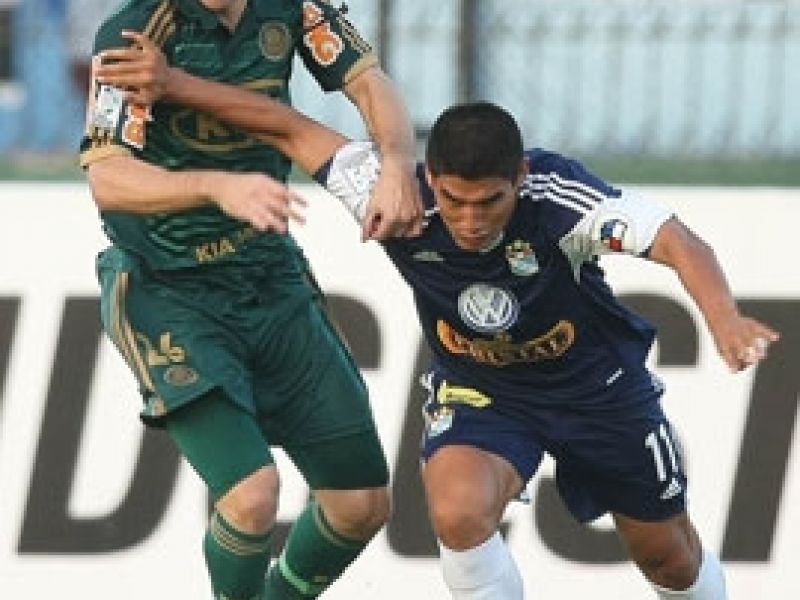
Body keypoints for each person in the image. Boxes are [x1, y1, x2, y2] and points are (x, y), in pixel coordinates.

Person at [94, 47, 779, 598]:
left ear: (520, 176)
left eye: (490, 202)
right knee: (456, 510)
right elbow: (291, 127)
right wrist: (173, 83)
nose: (470, 220)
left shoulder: (560, 198)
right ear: (433, 180)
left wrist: (723, 319)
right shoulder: (396, 195)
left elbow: (679, 241)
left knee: (667, 559)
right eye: (454, 200)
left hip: (597, 391)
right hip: (486, 391)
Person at [80, 1, 423, 599]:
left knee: (361, 504)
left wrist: (395, 161)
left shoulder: (293, 7)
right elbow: (107, 177)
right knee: (252, 495)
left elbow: (369, 81)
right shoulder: (134, 32)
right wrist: (215, 186)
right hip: (168, 289)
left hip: (269, 276)